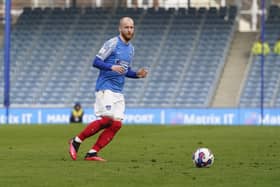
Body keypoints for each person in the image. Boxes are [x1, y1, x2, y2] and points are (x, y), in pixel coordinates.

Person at [68, 17, 148, 161]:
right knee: (107, 119)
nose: (129, 30)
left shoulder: (131, 49)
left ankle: (92, 153)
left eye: (132, 27)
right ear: (120, 29)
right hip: (106, 87)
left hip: (118, 92)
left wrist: (137, 75)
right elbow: (96, 61)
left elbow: (124, 70)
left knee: (116, 124)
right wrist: (111, 66)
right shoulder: (113, 43)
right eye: (126, 27)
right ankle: (76, 140)